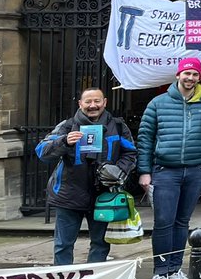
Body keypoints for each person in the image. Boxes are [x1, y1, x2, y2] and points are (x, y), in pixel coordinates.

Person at [136, 56, 201, 279]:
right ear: (178, 75)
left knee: (182, 222)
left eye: (195, 74)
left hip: (196, 170)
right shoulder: (158, 103)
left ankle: (175, 270)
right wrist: (144, 172)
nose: (190, 78)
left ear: (200, 77)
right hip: (165, 170)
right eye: (187, 74)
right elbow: (145, 139)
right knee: (163, 222)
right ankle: (160, 272)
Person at [36, 88, 137, 265]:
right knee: (63, 245)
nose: (93, 106)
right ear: (80, 104)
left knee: (100, 244)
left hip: (104, 196)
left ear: (104, 102)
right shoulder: (67, 126)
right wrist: (64, 141)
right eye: (88, 102)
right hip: (69, 195)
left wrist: (118, 171)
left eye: (97, 101)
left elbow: (130, 153)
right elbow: (42, 152)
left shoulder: (118, 126)